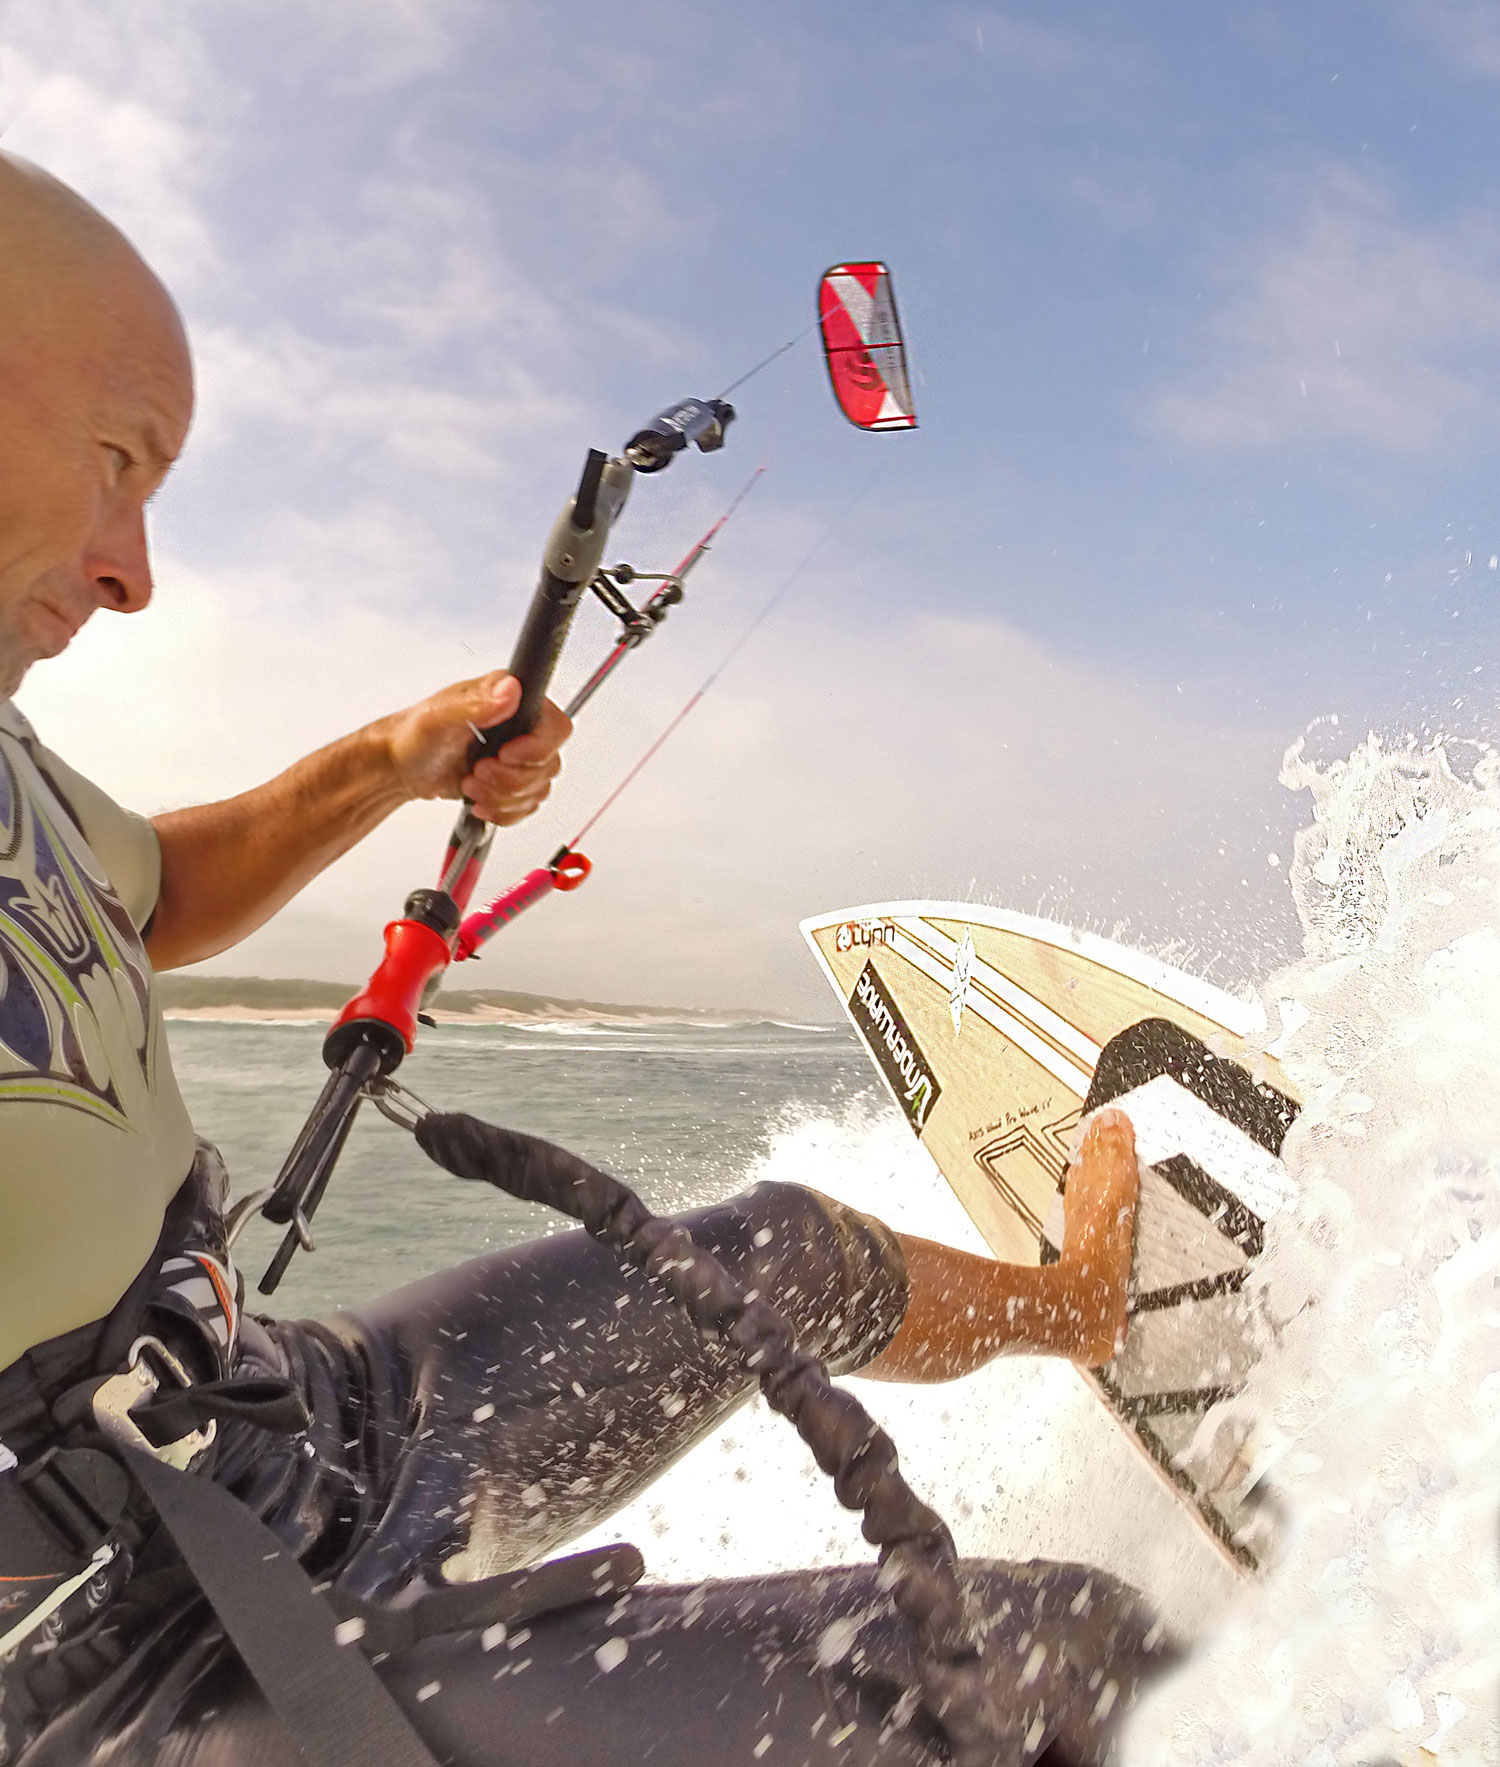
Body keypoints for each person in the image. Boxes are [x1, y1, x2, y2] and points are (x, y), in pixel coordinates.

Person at [0, 150, 1170, 1766]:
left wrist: (391, 759)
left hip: (269, 1420)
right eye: (116, 460)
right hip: (119, 1674)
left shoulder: (15, 760)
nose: (136, 569)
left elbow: (145, 895)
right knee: (1064, 1666)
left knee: (789, 1249)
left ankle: (1076, 1306)